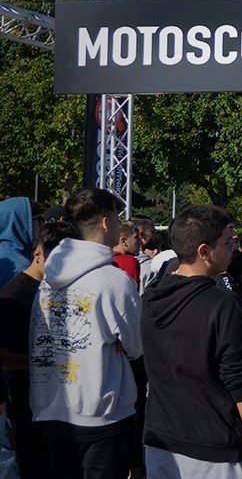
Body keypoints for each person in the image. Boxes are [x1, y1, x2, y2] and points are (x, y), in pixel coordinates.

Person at [141, 205, 242, 479]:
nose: (233, 248)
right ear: (204, 251)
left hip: (161, 440)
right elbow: (240, 381)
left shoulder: (151, 297)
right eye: (226, 243)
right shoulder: (222, 304)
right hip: (213, 447)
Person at [29, 188, 143, 479]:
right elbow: (137, 346)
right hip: (104, 418)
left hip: (51, 411)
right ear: (106, 222)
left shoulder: (47, 280)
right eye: (117, 218)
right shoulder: (115, 281)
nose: (120, 225)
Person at [0, 220, 77, 479]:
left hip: (58, 407)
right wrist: (44, 361)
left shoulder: (59, 289)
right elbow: (3, 358)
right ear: (37, 254)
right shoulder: (12, 297)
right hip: (25, 407)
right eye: (55, 260)